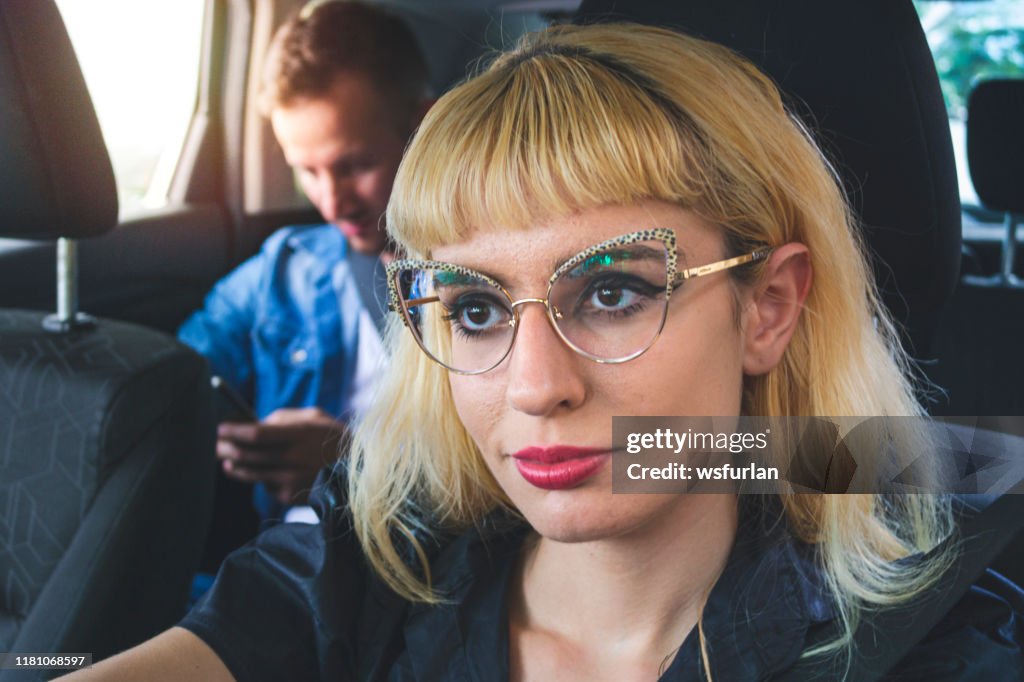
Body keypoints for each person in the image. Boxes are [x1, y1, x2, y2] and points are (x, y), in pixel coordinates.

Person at [68, 22, 1022, 681]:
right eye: (476, 310)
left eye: (611, 294)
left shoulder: (939, 634)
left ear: (767, 308)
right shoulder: (385, 556)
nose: (534, 388)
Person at [178, 0, 432, 514]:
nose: (333, 203)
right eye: (308, 172)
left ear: (423, 128)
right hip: (286, 565)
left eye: (357, 164)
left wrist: (352, 459)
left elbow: (637, 459)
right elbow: (172, 381)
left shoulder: (492, 283)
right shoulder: (285, 272)